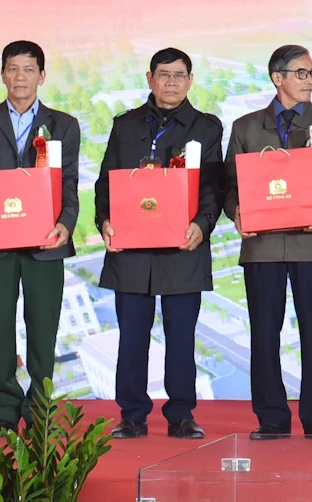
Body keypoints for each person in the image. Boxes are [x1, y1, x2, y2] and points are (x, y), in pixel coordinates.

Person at [224, 45, 312, 441]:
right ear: (277, 77)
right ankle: (271, 417)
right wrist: (237, 213)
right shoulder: (247, 127)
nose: (310, 80)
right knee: (264, 332)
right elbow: (231, 184)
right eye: (301, 73)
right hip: (263, 245)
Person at [94, 47, 225, 440]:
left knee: (181, 339)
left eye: (180, 75)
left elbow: (214, 189)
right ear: (149, 78)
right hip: (131, 252)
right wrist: (104, 222)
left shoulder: (206, 127)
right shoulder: (124, 125)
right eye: (164, 74)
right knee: (132, 339)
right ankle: (132, 415)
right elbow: (106, 183)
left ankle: (181, 414)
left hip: (182, 250)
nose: (171, 82)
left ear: (190, 80)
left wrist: (202, 226)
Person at [0, 41, 81, 430]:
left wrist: (66, 223)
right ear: (2, 74)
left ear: (42, 75)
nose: (20, 77)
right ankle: (2, 409)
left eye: (29, 69)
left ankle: (40, 407)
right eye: (13, 68)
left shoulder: (63, 125)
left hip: (46, 242)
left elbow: (71, 185)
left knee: (43, 328)